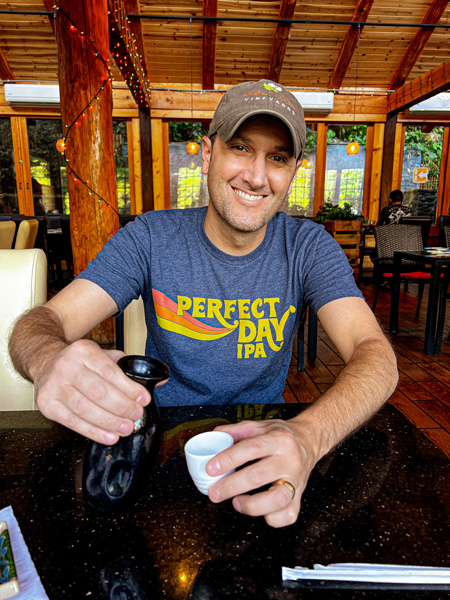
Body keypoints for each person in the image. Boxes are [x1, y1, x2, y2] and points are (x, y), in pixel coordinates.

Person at [9, 79, 398, 528]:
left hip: (264, 452)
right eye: (240, 147)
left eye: (277, 158)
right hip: (159, 454)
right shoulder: (150, 237)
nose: (256, 175)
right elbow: (44, 321)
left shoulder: (308, 246)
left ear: (294, 172)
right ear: (208, 152)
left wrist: (309, 437)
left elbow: (378, 357)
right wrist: (46, 357)